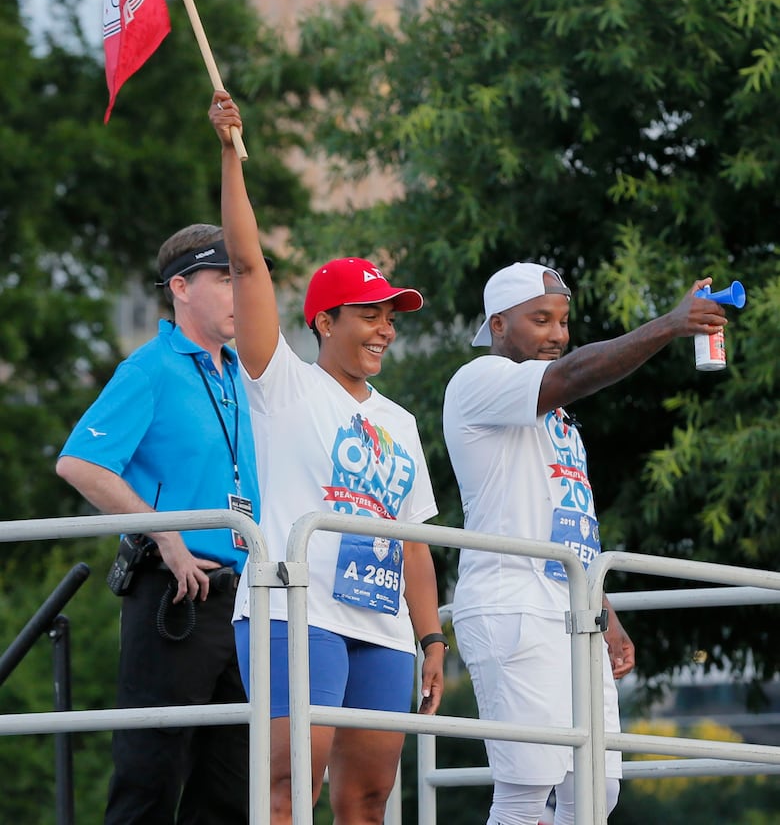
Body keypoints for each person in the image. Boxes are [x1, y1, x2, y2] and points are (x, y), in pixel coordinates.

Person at [209, 90, 446, 825]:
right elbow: (248, 268)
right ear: (324, 320)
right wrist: (230, 153)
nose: (385, 329)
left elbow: (414, 541)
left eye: (391, 317)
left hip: (383, 625)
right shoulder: (282, 384)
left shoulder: (401, 421)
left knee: (368, 801)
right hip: (296, 610)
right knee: (289, 789)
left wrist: (433, 636)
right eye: (370, 314)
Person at [443, 262, 729, 825]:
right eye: (541, 320)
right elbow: (572, 374)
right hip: (512, 603)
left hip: (572, 610)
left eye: (563, 321)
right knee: (527, 792)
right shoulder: (480, 380)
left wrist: (604, 608)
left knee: (597, 791)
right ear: (498, 325)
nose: (556, 334)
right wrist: (668, 325)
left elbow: (568, 521)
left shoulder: (558, 417)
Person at [56, 224, 262, 825]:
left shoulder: (239, 376)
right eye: (225, 280)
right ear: (181, 287)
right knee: (150, 778)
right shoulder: (149, 368)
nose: (238, 294)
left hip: (242, 602)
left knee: (229, 791)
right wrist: (164, 535)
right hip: (175, 595)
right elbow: (80, 462)